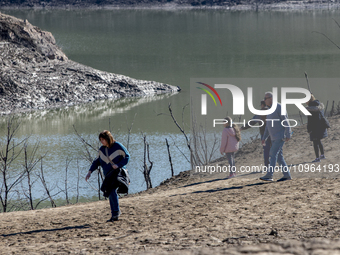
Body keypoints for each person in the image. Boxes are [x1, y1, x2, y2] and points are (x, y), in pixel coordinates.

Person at [85, 130, 130, 222]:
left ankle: (115, 213)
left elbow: (127, 156)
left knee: (112, 190)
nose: (102, 141)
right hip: (108, 175)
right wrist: (90, 171)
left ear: (108, 138)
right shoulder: (102, 150)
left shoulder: (118, 146)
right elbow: (97, 161)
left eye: (103, 139)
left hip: (117, 173)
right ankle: (115, 213)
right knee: (110, 192)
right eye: (100, 139)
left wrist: (118, 165)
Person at [260, 92, 292, 182]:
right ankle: (287, 175)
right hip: (273, 137)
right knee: (279, 157)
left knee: (272, 154)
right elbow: (268, 125)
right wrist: (264, 137)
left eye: (265, 98)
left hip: (280, 136)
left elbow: (285, 121)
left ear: (270, 98)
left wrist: (288, 133)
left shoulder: (279, 107)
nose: (264, 100)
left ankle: (269, 175)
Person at [241, 100, 271, 168]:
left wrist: (241, 128)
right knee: (274, 150)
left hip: (264, 134)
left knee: (266, 150)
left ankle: (267, 165)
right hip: (273, 133)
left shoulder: (259, 114)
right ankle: (273, 164)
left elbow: (251, 123)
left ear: (262, 105)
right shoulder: (272, 111)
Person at [306, 95, 327, 162]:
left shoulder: (310, 108)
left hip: (314, 128)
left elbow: (310, 120)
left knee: (315, 142)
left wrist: (309, 129)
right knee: (319, 141)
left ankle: (317, 158)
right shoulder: (319, 106)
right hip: (320, 127)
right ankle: (322, 155)